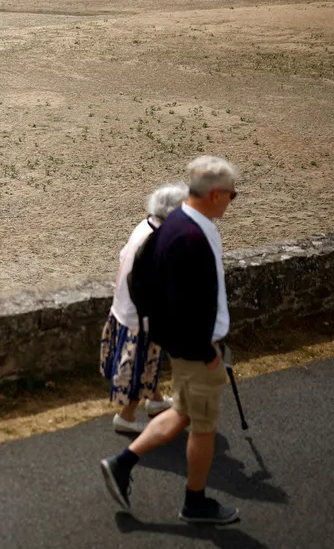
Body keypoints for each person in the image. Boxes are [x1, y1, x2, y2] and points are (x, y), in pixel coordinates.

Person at [100, 155, 241, 525]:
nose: (232, 200)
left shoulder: (177, 224)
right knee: (203, 426)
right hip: (198, 353)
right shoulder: (189, 236)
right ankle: (195, 501)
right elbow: (181, 305)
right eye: (231, 195)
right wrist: (205, 352)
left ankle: (122, 464)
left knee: (181, 413)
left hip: (193, 347)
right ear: (214, 194)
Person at [100, 182, 189, 434]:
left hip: (125, 305)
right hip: (141, 316)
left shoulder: (146, 226)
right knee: (139, 366)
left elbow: (123, 256)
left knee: (150, 360)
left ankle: (156, 400)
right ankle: (126, 417)